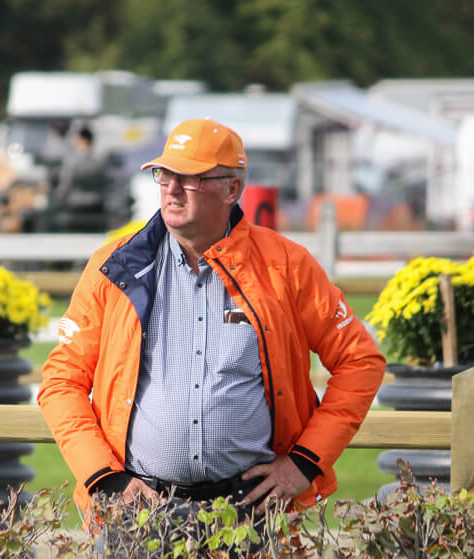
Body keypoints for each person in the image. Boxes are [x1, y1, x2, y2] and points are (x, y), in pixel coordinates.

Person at [38, 117, 385, 525]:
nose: (171, 188)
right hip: (137, 507)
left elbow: (360, 362)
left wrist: (305, 464)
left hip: (252, 509)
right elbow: (62, 380)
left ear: (232, 189)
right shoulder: (115, 267)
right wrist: (104, 477)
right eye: (164, 174)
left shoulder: (287, 265)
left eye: (191, 178)